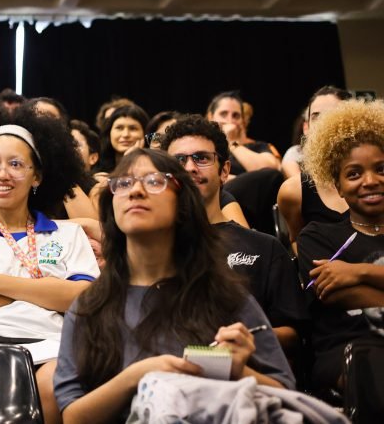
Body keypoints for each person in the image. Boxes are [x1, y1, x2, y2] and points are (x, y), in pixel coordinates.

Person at [53, 149, 294, 423]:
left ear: (181, 205)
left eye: (154, 181)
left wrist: (238, 370)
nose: (136, 191)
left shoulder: (223, 295)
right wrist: (139, 375)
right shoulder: (91, 305)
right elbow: (73, 416)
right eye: (123, 183)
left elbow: (285, 392)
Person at [0, 102, 100, 424]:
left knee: (55, 381)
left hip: (55, 346)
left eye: (16, 164)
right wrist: (50, 291)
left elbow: (84, 299)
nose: (3, 174)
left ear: (37, 176)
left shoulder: (69, 234)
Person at [163, 116, 306, 354]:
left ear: (224, 170)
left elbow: (295, 332)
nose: (189, 167)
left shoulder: (264, 247)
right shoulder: (153, 248)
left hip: (249, 375)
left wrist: (246, 340)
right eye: (179, 160)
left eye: (201, 158)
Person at [297, 98, 384, 398]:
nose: (370, 181)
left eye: (381, 169)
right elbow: (338, 294)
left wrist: (356, 270)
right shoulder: (318, 237)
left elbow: (352, 285)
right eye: (354, 173)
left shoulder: (344, 260)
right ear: (337, 184)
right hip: (350, 350)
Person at [278, 86, 352, 249]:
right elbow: (297, 241)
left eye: (333, 115)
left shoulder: (374, 176)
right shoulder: (294, 190)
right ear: (306, 127)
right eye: (316, 117)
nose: (324, 123)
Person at [207, 91, 280, 174]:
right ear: (211, 117)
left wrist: (231, 142)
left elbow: (271, 172)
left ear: (242, 121)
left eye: (236, 116)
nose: (230, 120)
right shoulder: (202, 146)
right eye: (223, 114)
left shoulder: (258, 147)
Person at [94, 104, 149, 175]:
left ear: (145, 133)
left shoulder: (154, 166)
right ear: (109, 132)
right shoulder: (95, 165)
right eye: (119, 128)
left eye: (133, 128)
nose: (125, 134)